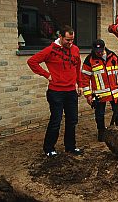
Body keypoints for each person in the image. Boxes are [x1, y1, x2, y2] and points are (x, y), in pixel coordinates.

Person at [27, 25, 83, 157]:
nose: (70, 43)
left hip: (71, 91)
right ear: (60, 37)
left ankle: (70, 147)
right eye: (67, 40)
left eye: (72, 40)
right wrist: (46, 75)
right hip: (56, 92)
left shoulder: (75, 50)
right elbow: (32, 61)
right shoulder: (50, 50)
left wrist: (80, 85)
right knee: (56, 121)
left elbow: (77, 68)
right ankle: (49, 148)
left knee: (72, 120)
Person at [80, 39, 118, 142]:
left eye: (101, 50)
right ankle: (101, 133)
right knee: (100, 114)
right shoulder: (89, 60)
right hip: (100, 94)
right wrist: (88, 95)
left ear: (104, 48)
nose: (99, 53)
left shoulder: (113, 56)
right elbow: (85, 79)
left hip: (115, 92)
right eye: (97, 51)